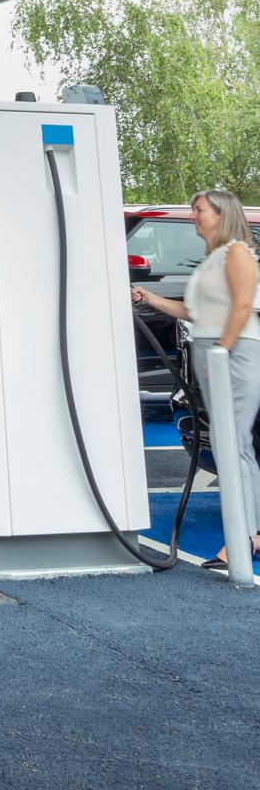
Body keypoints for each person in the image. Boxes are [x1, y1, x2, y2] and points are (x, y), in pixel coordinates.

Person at [133, 188, 260, 571]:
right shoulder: (212, 259)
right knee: (228, 445)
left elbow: (242, 304)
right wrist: (149, 298)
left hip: (235, 355)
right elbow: (193, 311)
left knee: (233, 446)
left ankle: (247, 537)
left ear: (222, 214)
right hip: (217, 355)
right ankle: (249, 534)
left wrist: (220, 351)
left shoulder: (237, 252)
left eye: (199, 209)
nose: (193, 216)